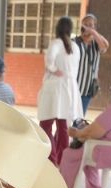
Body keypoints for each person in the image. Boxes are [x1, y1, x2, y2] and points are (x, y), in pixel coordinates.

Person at [37, 17, 81, 165]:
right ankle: (62, 160)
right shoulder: (75, 46)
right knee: (63, 126)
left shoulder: (55, 43)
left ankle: (50, 159)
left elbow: (49, 62)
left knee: (45, 125)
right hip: (70, 88)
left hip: (54, 88)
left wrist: (54, 70)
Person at [75, 14, 109, 116]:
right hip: (73, 88)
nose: (87, 27)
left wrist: (93, 33)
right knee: (68, 117)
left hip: (87, 88)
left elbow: (105, 46)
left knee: (80, 118)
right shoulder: (74, 42)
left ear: (95, 27)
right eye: (85, 24)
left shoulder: (97, 43)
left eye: (90, 25)